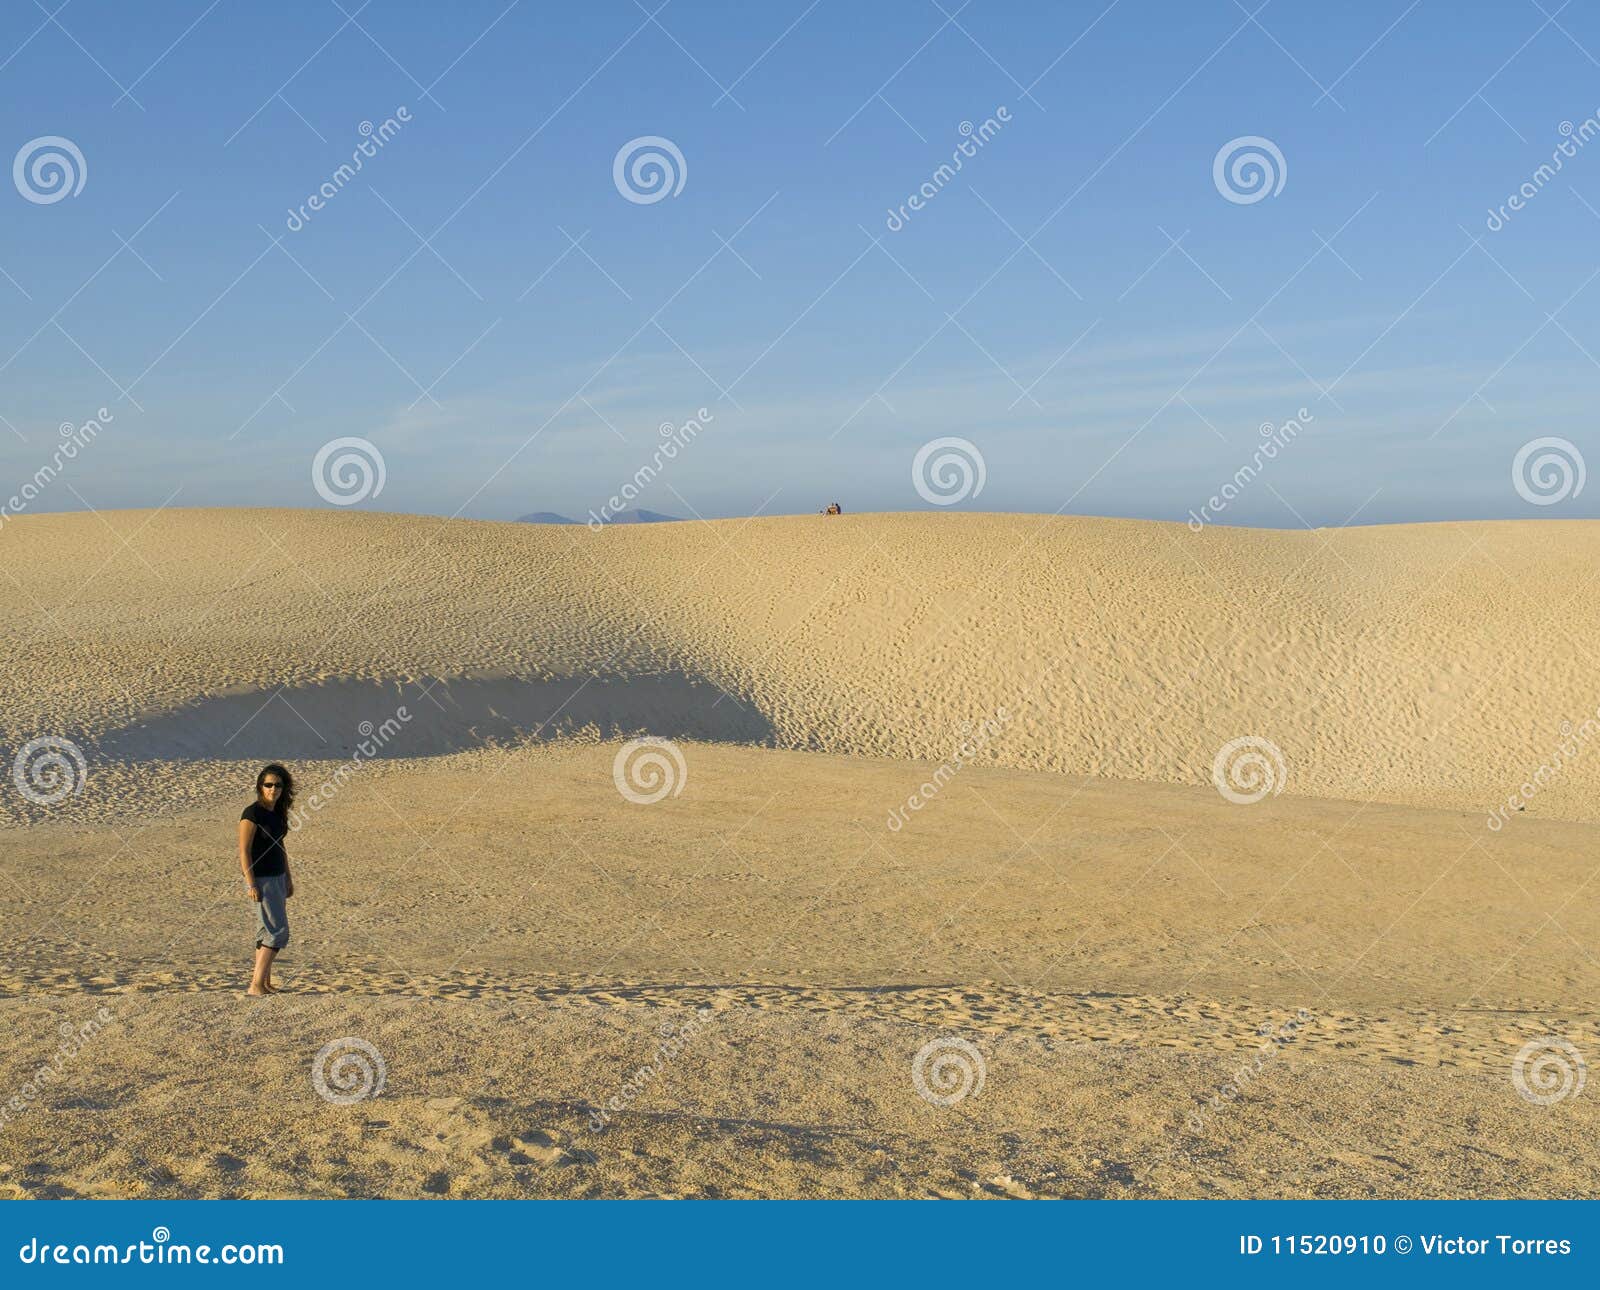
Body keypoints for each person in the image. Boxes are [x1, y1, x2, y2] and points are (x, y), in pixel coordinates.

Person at [239, 763, 295, 996]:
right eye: (268, 785)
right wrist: (251, 882)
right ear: (260, 786)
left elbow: (279, 846)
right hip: (261, 878)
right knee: (278, 931)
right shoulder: (252, 813)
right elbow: (244, 850)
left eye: (278, 785)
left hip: (278, 876)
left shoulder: (277, 812)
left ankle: (265, 983)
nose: (273, 789)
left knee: (265, 930)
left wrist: (288, 878)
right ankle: (255, 985)